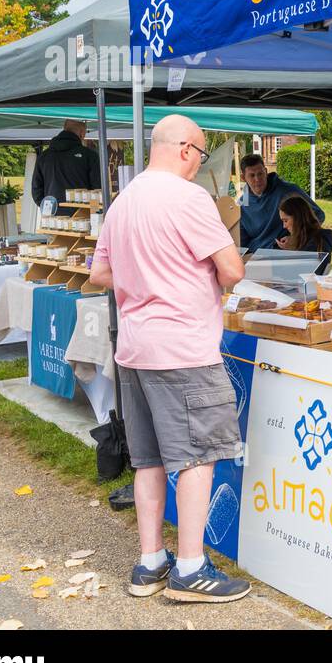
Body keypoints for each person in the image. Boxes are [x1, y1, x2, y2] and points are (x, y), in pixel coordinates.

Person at [89, 114, 250, 604]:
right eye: (202, 155)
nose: (201, 164)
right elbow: (233, 270)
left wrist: (145, 284)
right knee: (199, 457)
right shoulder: (190, 198)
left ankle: (150, 562)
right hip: (183, 348)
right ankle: (191, 568)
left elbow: (99, 273)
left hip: (136, 348)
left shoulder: (124, 201)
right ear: (185, 149)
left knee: (150, 460)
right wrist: (179, 284)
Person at [238, 152, 324, 252]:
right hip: (256, 258)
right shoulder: (242, 205)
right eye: (252, 175)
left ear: (266, 171)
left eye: (260, 174)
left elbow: (318, 215)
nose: (257, 179)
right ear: (243, 178)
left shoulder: (288, 191)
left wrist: (296, 237)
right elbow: (241, 242)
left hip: (286, 255)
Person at [32, 119, 100, 208]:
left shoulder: (44, 156)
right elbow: (98, 190)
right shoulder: (90, 156)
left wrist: (48, 209)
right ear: (82, 133)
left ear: (64, 128)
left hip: (52, 216)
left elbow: (36, 190)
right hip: (82, 215)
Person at [277, 194, 332, 259]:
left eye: (285, 221)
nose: (284, 226)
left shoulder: (320, 239)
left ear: (298, 218)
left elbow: (305, 265)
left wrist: (294, 248)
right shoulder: (309, 238)